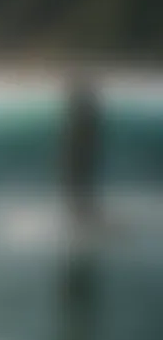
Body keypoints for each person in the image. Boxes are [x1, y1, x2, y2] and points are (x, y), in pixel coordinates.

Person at [60, 70, 101, 228]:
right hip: (80, 154)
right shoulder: (82, 112)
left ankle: (82, 217)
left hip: (81, 154)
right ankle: (81, 217)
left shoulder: (83, 112)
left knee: (81, 183)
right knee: (80, 183)